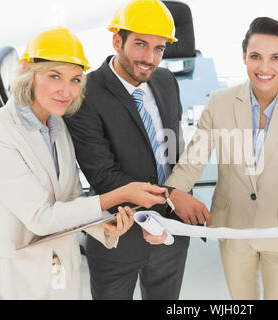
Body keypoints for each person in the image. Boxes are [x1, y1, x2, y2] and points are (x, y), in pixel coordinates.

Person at [160, 17, 278, 300]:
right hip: (232, 228)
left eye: (275, 58)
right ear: (244, 57)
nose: (263, 67)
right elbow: (191, 164)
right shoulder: (219, 103)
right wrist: (171, 198)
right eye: (256, 56)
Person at [0, 26, 168, 300]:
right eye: (54, 76)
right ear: (27, 72)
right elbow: (42, 218)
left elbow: (70, 198)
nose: (66, 91)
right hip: (17, 275)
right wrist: (121, 194)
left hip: (61, 272)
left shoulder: (57, 124)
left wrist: (101, 226)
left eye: (75, 80)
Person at [64, 0, 207, 300]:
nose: (150, 58)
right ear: (118, 41)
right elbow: (103, 175)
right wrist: (170, 197)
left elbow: (173, 151)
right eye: (140, 44)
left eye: (159, 48)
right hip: (119, 233)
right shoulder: (85, 95)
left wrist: (176, 199)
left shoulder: (166, 81)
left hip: (171, 231)